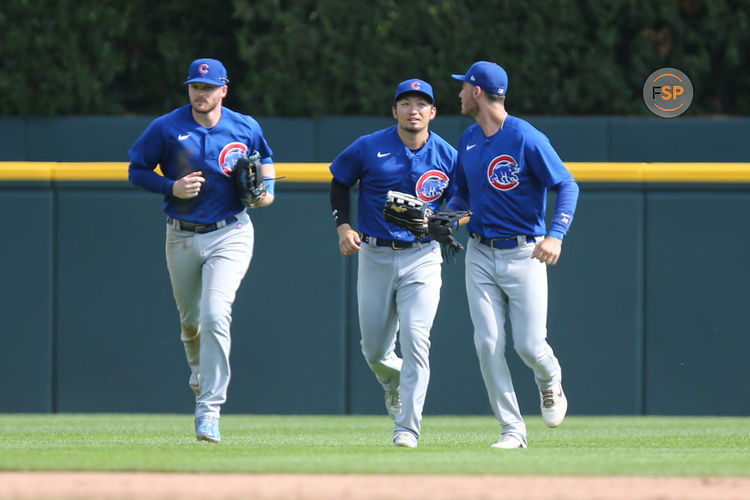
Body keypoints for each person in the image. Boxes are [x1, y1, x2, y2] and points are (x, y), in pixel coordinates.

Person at [128, 58, 277, 443]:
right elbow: (136, 169)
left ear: (223, 90)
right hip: (181, 234)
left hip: (231, 231)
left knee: (215, 313)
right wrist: (169, 187)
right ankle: (200, 375)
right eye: (195, 86)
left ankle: (208, 410)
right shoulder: (167, 127)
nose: (201, 93)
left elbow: (267, 158)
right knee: (191, 322)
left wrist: (268, 191)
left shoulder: (244, 126)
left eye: (208, 88)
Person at [446, 61, 579, 449]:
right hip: (480, 253)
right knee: (487, 343)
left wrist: (556, 235)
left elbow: (567, 184)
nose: (457, 93)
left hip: (525, 253)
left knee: (529, 346)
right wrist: (450, 214)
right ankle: (512, 430)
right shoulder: (468, 138)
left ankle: (549, 376)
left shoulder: (525, 137)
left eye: (462, 86)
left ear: (476, 92)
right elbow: (460, 193)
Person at [329, 79, 458, 448]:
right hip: (375, 254)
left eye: (421, 103)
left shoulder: (447, 155)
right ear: (395, 110)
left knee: (418, 339)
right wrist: (343, 227)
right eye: (406, 102)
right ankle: (392, 382)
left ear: (433, 112)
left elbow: (462, 200)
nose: (413, 109)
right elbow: (339, 181)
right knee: (374, 349)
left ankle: (408, 427)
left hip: (422, 257)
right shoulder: (370, 146)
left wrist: (448, 220)